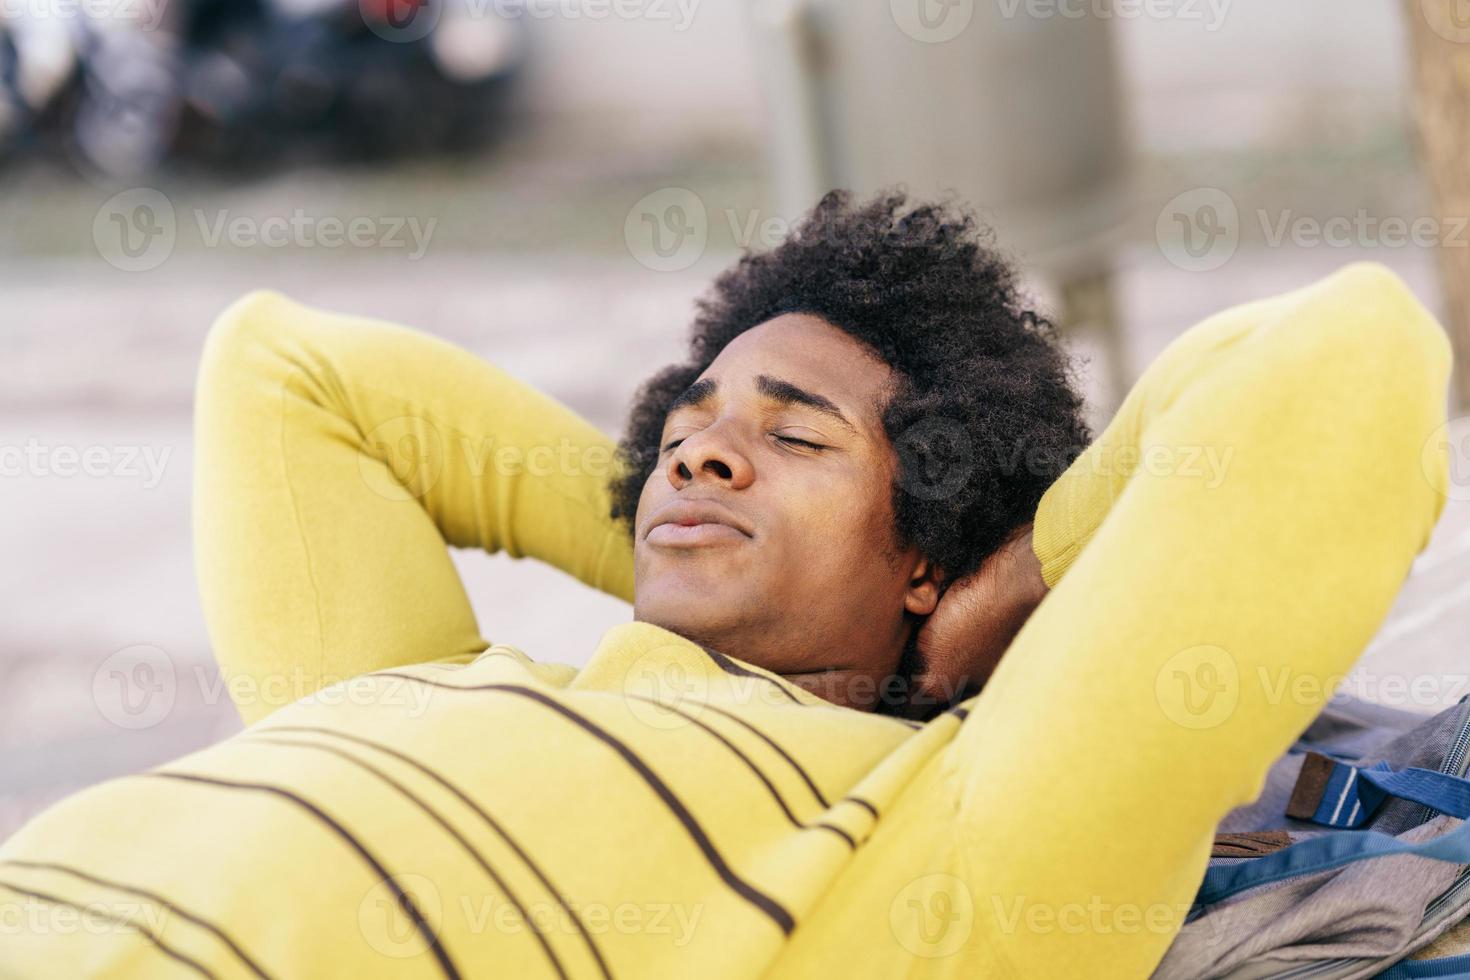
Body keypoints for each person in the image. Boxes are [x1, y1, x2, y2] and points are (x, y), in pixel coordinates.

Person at [0, 190, 1452, 978]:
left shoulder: (959, 843)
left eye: (790, 431)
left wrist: (1000, 596)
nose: (701, 452)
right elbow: (286, 372)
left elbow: (1346, 360)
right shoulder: (432, 688)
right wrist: (683, 516)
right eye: (685, 421)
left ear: (929, 545)